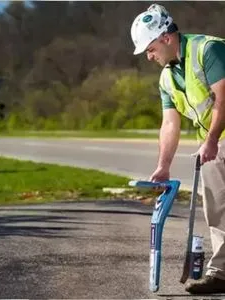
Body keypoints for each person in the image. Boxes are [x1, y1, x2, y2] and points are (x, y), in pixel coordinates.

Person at [131, 3, 225, 294]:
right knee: (217, 208)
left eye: (150, 49)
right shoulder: (167, 78)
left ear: (167, 38)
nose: (149, 56)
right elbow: (169, 124)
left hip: (215, 138)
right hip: (213, 143)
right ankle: (222, 272)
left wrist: (210, 140)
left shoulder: (208, 50)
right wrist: (163, 166)